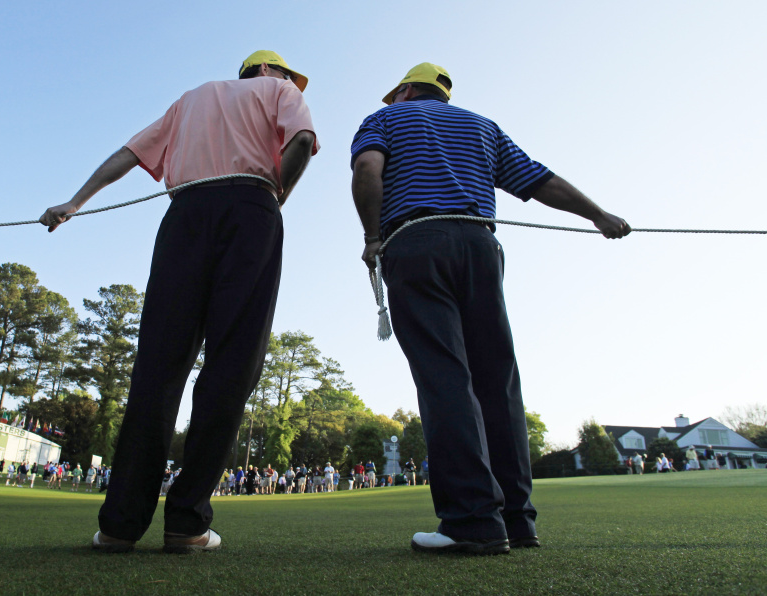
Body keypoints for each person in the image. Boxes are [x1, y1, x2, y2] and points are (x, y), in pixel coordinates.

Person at [43, 49, 318, 554]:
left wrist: (74, 203)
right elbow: (301, 140)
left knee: (158, 365)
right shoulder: (280, 92)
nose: (291, 82)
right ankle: (187, 522)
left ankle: (120, 526)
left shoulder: (191, 98)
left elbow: (128, 154)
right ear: (264, 71)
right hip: (250, 208)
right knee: (232, 364)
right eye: (285, 73)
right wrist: (276, 195)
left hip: (186, 215)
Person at [351, 63, 630, 555]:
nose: (392, 100)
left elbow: (367, 170)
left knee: (445, 377)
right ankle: (517, 522)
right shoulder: (482, 126)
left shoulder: (384, 119)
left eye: (396, 94)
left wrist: (372, 238)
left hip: (415, 243)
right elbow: (540, 181)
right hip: (480, 245)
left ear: (407, 90)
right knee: (497, 381)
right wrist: (598, 215)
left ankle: (473, 521)